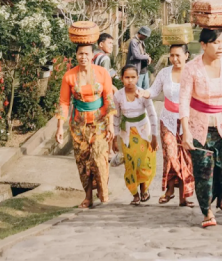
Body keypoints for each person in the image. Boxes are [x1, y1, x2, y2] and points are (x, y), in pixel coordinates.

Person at [179, 28, 222, 228]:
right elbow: (183, 101)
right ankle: (207, 212)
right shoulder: (191, 68)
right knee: (203, 171)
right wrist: (186, 131)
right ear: (203, 45)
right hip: (198, 126)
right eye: (215, 42)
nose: (220, 47)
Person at [56, 42, 115, 209]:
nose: (83, 57)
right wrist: (60, 127)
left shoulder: (102, 73)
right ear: (76, 55)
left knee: (98, 158)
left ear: (92, 56)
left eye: (87, 54)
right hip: (78, 126)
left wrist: (110, 124)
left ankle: (103, 194)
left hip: (100, 123)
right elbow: (64, 102)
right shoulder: (69, 76)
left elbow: (109, 98)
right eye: (80, 54)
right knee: (82, 162)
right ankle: (88, 197)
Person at [141, 44, 195, 206]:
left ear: (187, 55)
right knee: (170, 155)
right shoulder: (165, 73)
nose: (175, 59)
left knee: (185, 158)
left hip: (188, 121)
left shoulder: (193, 73)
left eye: (178, 55)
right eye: (172, 55)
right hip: (168, 119)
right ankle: (170, 190)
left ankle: (183, 197)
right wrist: (143, 92)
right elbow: (153, 91)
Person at [112, 65, 159, 204]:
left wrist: (155, 137)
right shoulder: (118, 96)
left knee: (144, 162)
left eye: (133, 77)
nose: (130, 81)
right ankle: (135, 194)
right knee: (131, 164)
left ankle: (144, 188)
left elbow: (152, 114)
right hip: (127, 134)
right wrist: (115, 138)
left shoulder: (143, 94)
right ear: (122, 79)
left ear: (138, 78)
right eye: (127, 77)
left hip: (143, 133)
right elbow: (116, 117)